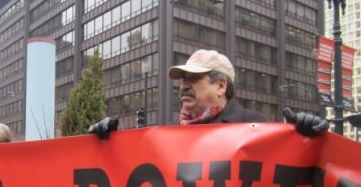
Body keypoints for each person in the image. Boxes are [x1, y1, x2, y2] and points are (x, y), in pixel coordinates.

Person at [88, 49, 328, 137]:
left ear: (221, 86)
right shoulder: (167, 133)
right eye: (183, 79)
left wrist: (307, 138)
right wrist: (109, 144)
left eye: (193, 78)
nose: (183, 85)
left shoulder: (258, 129)